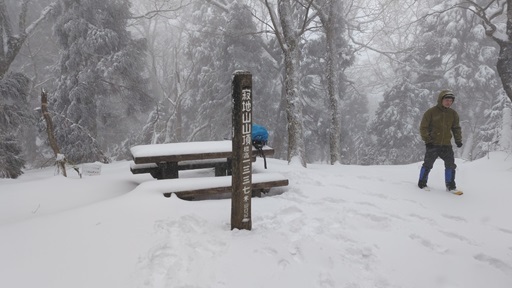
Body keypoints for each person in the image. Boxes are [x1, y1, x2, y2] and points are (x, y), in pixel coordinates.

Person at [418, 90, 462, 191]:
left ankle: (450, 185)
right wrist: (428, 141)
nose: (449, 102)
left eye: (451, 101)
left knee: (450, 165)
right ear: (441, 100)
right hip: (432, 144)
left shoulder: (453, 113)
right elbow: (423, 127)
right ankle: (422, 183)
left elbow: (456, 128)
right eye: (447, 100)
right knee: (428, 164)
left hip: (446, 145)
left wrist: (458, 140)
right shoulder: (431, 112)